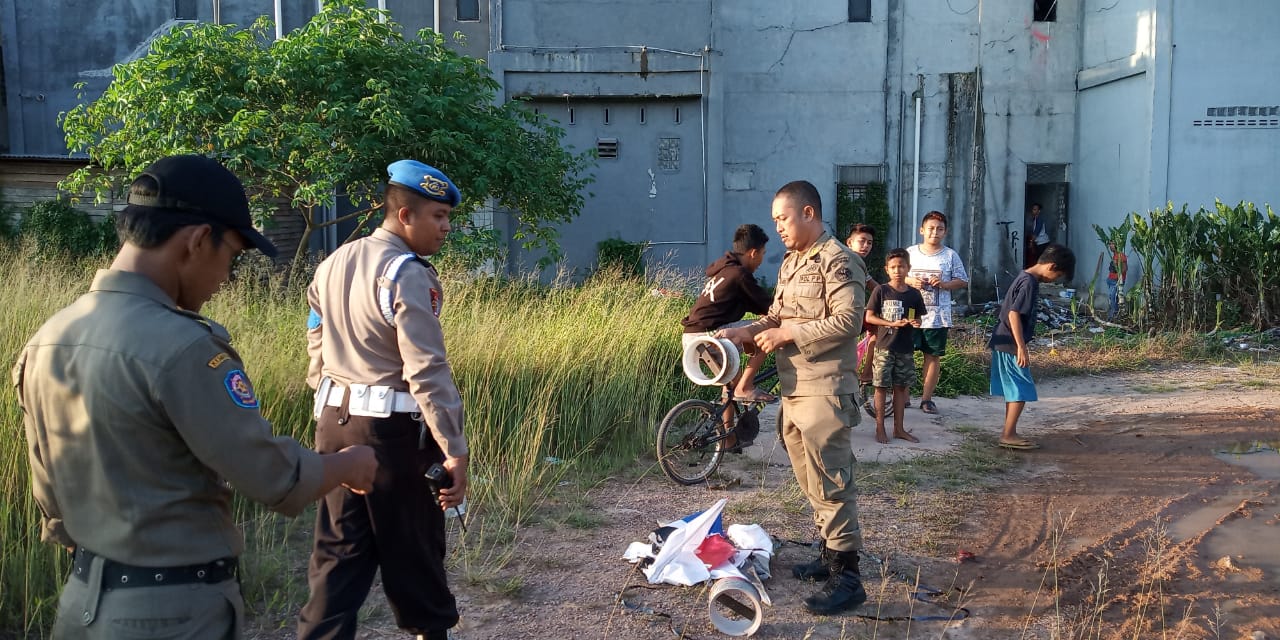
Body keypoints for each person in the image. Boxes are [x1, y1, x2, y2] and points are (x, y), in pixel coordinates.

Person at [13, 154, 378, 639]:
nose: (226, 277)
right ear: (198, 240)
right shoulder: (182, 347)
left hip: (82, 602)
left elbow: (50, 498)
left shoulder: (48, 337)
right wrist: (349, 464)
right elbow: (273, 478)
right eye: (231, 256)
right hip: (170, 613)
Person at [299, 159, 468, 640]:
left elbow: (316, 334)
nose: (446, 228)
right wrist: (454, 448)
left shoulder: (331, 263)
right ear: (405, 216)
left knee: (338, 556)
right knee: (413, 552)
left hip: (334, 426)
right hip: (391, 436)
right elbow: (425, 369)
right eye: (438, 216)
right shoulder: (405, 273)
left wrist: (327, 389)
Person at [718, 180, 868, 616]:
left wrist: (790, 333)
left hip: (825, 389)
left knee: (833, 479)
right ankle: (829, 554)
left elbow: (848, 322)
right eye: (775, 221)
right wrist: (746, 331)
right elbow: (777, 315)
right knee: (811, 479)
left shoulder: (839, 260)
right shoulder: (792, 262)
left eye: (782, 218)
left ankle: (849, 576)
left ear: (807, 213)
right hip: (795, 388)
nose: (778, 228)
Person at [988, 243, 1076, 450]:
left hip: (1003, 340)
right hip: (1010, 343)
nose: (1055, 280)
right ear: (1051, 267)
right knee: (1021, 388)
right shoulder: (1029, 282)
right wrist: (1021, 347)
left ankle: (1009, 432)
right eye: (1059, 276)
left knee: (1015, 389)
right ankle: (1008, 434)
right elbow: (1013, 314)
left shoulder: (1024, 276)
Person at [681, 223, 774, 404]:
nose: (762, 259)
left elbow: (755, 305)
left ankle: (728, 431)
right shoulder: (740, 274)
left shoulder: (724, 270)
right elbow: (771, 308)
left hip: (692, 337)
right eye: (763, 254)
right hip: (711, 337)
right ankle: (746, 387)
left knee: (731, 386)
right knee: (768, 330)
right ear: (753, 253)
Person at [905, 211, 968, 415]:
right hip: (911, 314)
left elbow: (963, 280)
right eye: (931, 228)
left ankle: (926, 399)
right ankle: (903, 396)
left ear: (945, 232)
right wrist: (910, 281)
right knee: (904, 354)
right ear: (922, 230)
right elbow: (896, 273)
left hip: (938, 316)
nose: (935, 232)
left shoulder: (950, 255)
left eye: (939, 229)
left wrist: (944, 284)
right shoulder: (910, 253)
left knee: (932, 356)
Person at [863, 248, 927, 444]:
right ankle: (880, 427)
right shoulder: (881, 290)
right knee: (881, 387)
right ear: (886, 269)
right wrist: (890, 323)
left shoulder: (914, 294)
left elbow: (916, 317)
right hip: (884, 346)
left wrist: (916, 323)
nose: (897, 270)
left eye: (901, 266)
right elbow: (869, 316)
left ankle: (899, 429)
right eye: (893, 267)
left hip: (905, 348)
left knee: (901, 388)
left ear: (908, 268)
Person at [845, 224, 880, 413]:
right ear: (849, 243)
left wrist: (893, 295)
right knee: (877, 326)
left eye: (870, 242)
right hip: (844, 316)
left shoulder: (859, 263)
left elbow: (875, 287)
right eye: (862, 241)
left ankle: (866, 371)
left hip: (854, 314)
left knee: (875, 324)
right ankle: (866, 372)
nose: (866, 245)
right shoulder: (846, 260)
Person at [1105, 241, 1128, 320]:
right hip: (1111, 280)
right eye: (1110, 244)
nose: (1110, 246)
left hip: (1116, 281)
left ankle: (1113, 317)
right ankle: (1116, 316)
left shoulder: (1121, 255)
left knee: (1113, 298)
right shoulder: (1115, 255)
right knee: (1113, 298)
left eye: (1112, 244)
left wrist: (1119, 277)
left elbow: (1125, 268)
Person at [1025, 203, 1049, 267]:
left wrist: (1031, 242)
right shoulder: (1035, 219)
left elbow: (1036, 232)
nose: (1033, 211)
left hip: (1042, 243)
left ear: (1039, 211)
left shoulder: (1039, 220)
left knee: (1040, 261)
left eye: (1035, 209)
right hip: (1039, 242)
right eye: (1033, 209)